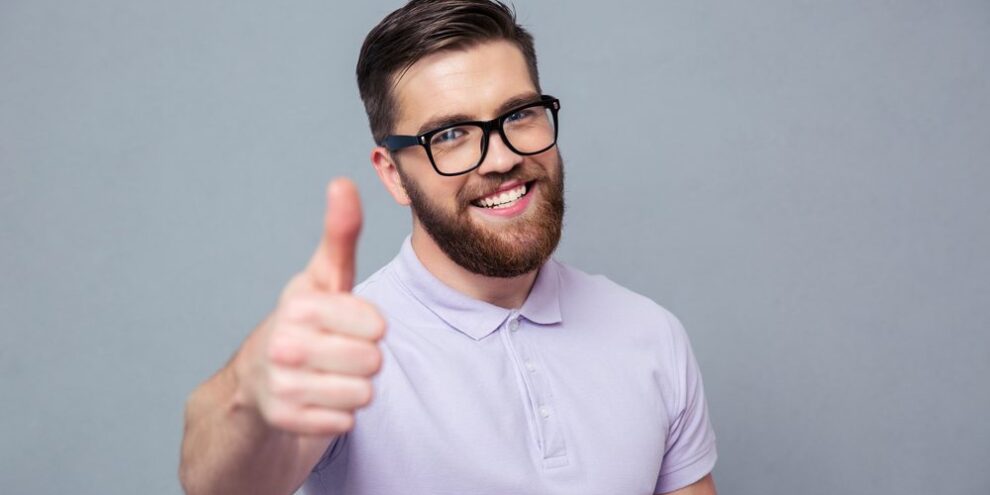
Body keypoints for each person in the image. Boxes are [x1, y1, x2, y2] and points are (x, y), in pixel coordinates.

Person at [179, 1, 718, 493]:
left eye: (519, 115)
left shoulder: (650, 335)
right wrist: (246, 398)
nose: (502, 158)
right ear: (392, 175)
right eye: (450, 134)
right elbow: (218, 484)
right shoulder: (345, 357)